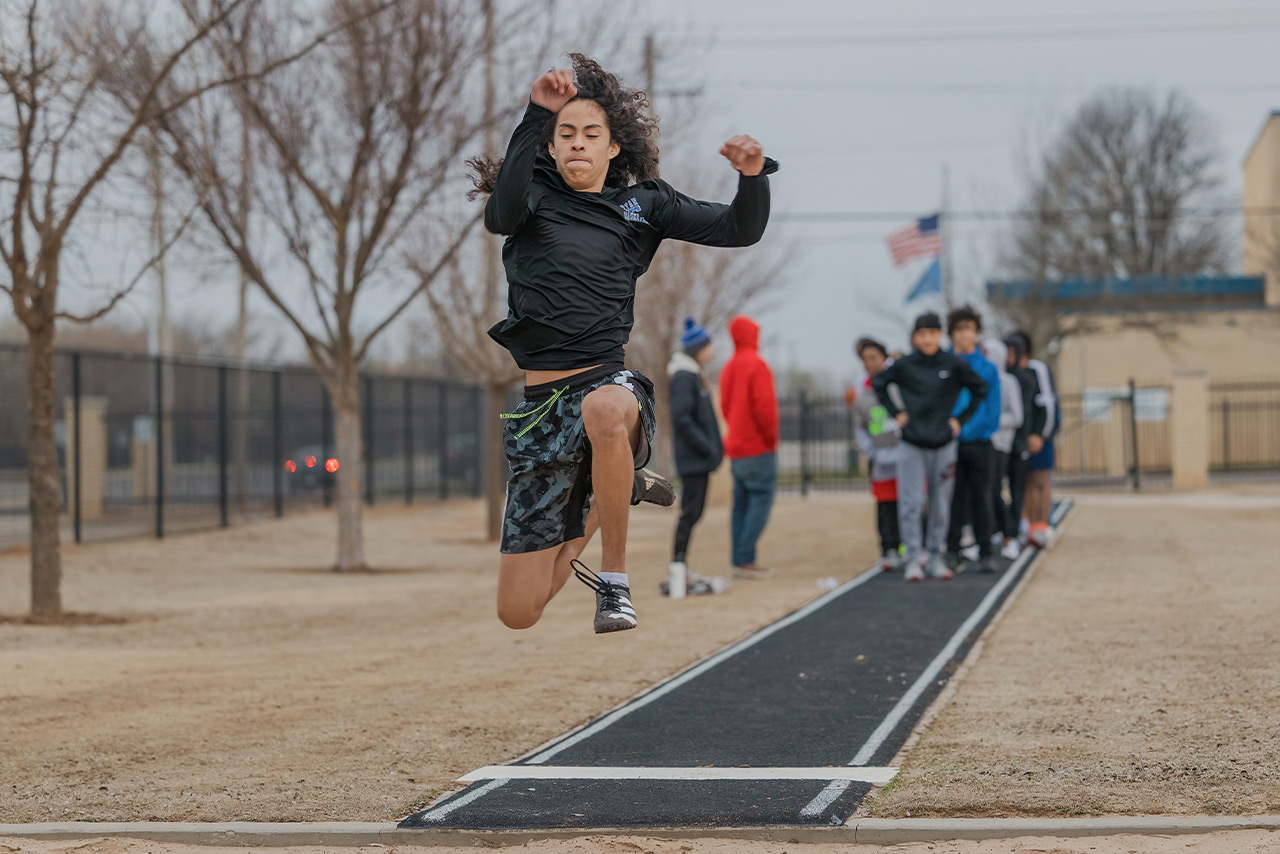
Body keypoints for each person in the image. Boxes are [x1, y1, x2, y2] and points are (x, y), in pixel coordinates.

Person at [472, 55, 777, 633]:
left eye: (592, 135)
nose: (579, 144)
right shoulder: (532, 195)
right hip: (540, 411)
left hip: (606, 386)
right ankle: (617, 485)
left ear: (613, 148)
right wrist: (536, 113)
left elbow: (741, 229)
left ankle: (614, 583)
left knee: (605, 408)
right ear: (552, 146)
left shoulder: (645, 206)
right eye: (567, 135)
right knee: (519, 611)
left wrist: (753, 175)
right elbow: (499, 214)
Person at [872, 312, 987, 583]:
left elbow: (979, 389)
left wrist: (960, 420)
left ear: (939, 336)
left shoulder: (953, 364)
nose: (927, 339)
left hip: (943, 443)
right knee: (910, 503)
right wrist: (896, 412)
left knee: (940, 505)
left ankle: (935, 556)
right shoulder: (905, 365)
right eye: (922, 334)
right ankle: (914, 558)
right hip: (911, 442)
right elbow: (879, 383)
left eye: (932, 333)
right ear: (914, 337)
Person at [666, 317, 730, 597]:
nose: (711, 352)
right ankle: (678, 566)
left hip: (698, 459)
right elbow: (682, 418)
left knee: (694, 512)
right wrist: (705, 446)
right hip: (693, 459)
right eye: (708, 347)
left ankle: (681, 565)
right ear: (697, 349)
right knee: (690, 513)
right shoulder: (683, 376)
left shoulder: (692, 374)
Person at [719, 315, 779, 580]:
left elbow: (724, 405)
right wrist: (770, 440)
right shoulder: (757, 365)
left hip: (736, 447)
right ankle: (745, 558)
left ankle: (739, 558)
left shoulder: (728, 367)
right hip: (758, 447)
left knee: (741, 504)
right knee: (761, 500)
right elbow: (765, 410)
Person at [943, 306, 1002, 573]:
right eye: (958, 329)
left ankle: (985, 551)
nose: (963, 335)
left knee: (982, 498)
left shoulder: (988, 369)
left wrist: (966, 428)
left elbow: (992, 410)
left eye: (969, 329)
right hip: (949, 444)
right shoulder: (945, 366)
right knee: (954, 499)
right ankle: (952, 550)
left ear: (977, 333)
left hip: (979, 443)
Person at [852, 337, 902, 571]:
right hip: (881, 460)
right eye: (865, 359)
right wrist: (872, 452)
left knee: (909, 504)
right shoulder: (863, 398)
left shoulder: (898, 388)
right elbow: (860, 430)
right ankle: (888, 549)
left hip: (905, 457)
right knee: (885, 506)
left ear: (885, 359)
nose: (870, 363)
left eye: (874, 358)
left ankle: (910, 547)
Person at [1010, 331, 1059, 548]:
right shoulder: (1011, 372)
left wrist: (1041, 434)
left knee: (1041, 480)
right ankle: (1029, 525)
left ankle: (1042, 523)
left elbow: (1047, 404)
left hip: (1040, 437)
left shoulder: (1038, 369)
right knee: (1027, 481)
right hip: (1020, 438)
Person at [981, 338, 1024, 560]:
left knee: (996, 490)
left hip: (1000, 445)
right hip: (980, 442)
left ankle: (1010, 536)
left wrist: (991, 422)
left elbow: (1016, 416)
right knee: (980, 493)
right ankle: (985, 536)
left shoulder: (1008, 382)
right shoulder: (979, 380)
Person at [1002, 334, 1037, 552]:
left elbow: (1029, 413)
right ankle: (1002, 530)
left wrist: (1032, 436)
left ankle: (1014, 531)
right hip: (1000, 443)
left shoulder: (1026, 380)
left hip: (1019, 443)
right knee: (995, 490)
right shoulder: (998, 379)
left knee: (1017, 490)